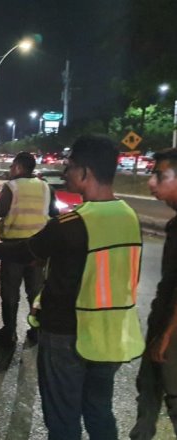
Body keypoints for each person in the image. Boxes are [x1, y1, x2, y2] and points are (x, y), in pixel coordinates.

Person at [0, 134, 145, 439]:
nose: (64, 173)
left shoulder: (71, 224)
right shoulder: (130, 217)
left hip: (67, 334)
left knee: (63, 420)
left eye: (70, 166)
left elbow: (26, 251)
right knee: (100, 412)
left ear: (85, 173)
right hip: (112, 334)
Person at [130, 148, 177, 439]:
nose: (151, 182)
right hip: (163, 323)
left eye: (159, 175)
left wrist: (169, 335)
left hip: (172, 330)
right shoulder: (173, 225)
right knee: (147, 389)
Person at [0, 152, 58, 345]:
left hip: (14, 247)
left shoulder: (11, 187)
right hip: (39, 247)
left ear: (19, 167)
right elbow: (53, 212)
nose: (11, 170)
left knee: (10, 291)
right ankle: (36, 330)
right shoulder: (46, 187)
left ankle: (9, 332)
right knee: (36, 290)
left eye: (12, 166)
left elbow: (0, 211)